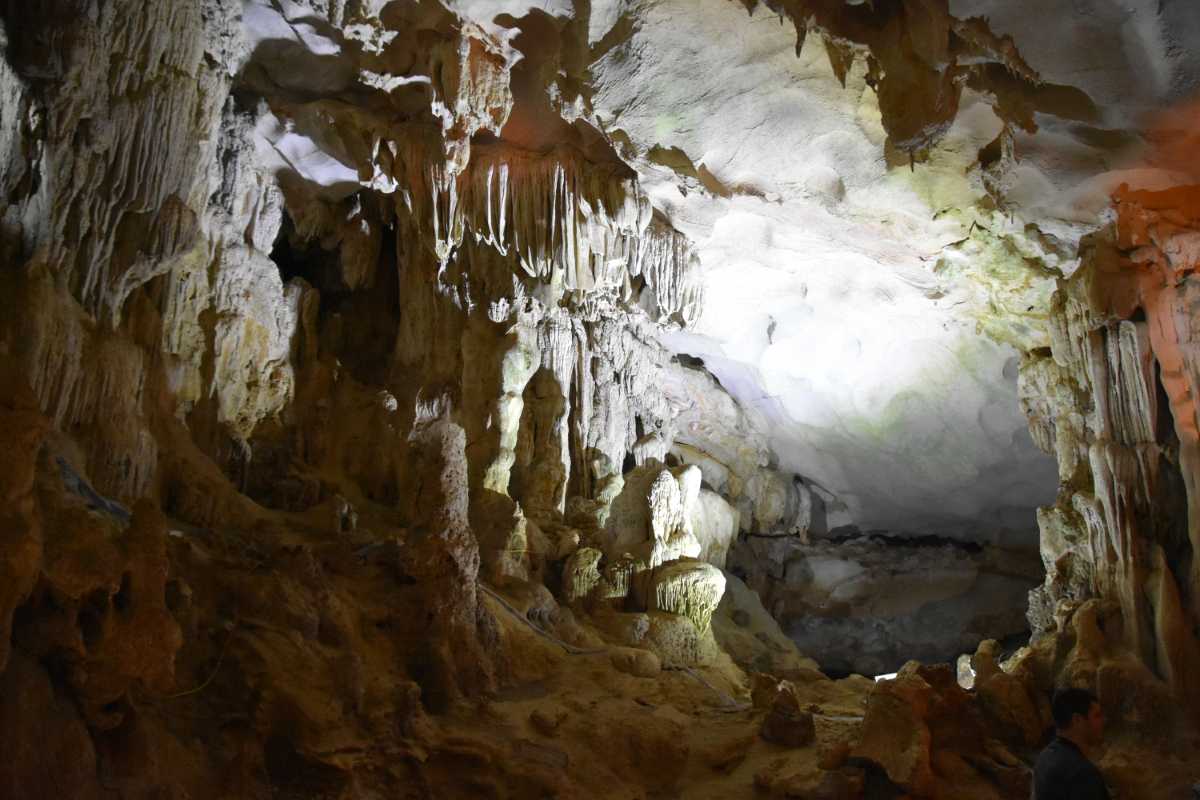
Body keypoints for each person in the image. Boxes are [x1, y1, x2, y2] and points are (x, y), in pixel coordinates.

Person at [1032, 687, 1110, 800]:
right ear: (1077, 720)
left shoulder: (1044, 757)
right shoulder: (1082, 775)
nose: (1104, 720)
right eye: (1097, 716)